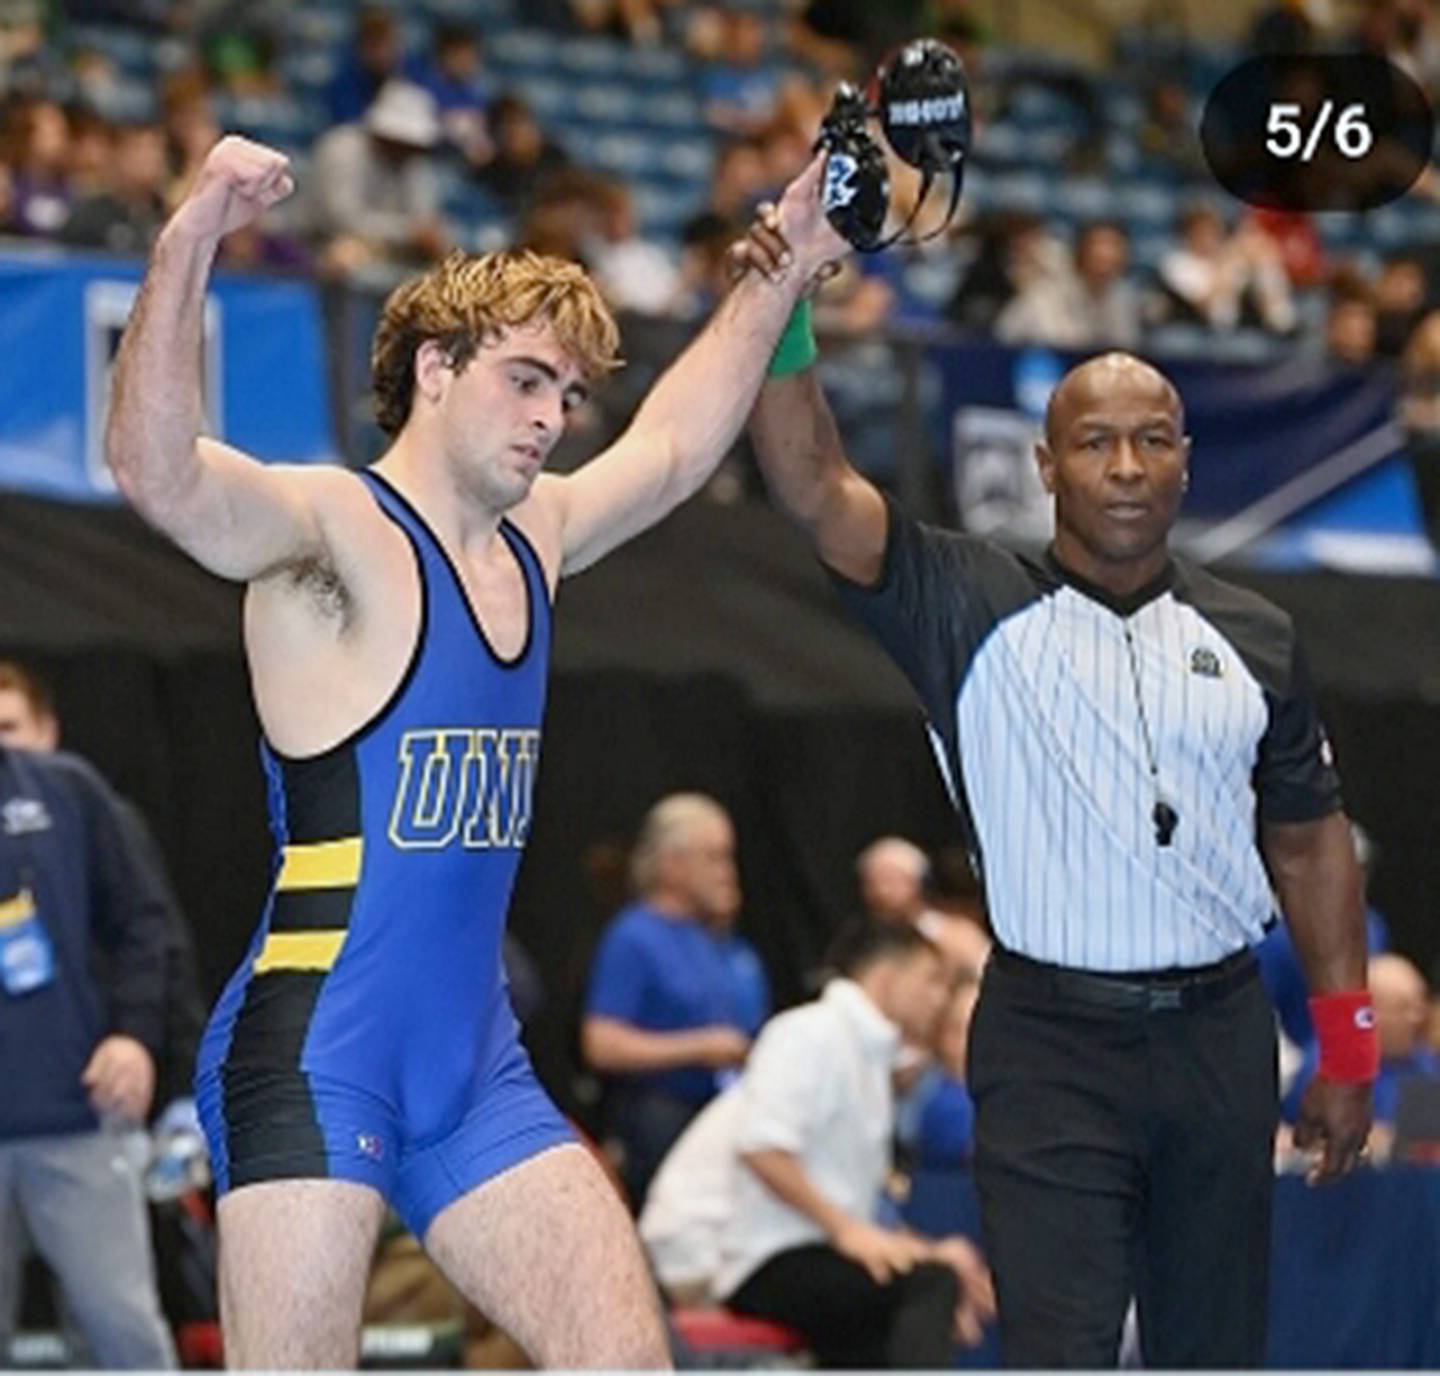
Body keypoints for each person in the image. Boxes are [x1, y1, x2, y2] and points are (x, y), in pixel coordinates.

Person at [105, 133, 842, 1367]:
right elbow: (157, 471)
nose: (554, 419)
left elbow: (665, 455)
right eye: (526, 381)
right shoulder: (333, 530)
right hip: (315, 1055)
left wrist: (779, 276)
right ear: (436, 368)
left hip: (472, 1065)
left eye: (566, 394)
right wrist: (190, 237)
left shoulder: (536, 535)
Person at [734, 211, 1375, 1368]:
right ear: (1044, 463)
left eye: (1150, 440)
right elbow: (814, 479)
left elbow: (1313, 836)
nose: (1124, 467)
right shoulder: (961, 600)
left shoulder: (1261, 635)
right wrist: (784, 311)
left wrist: (1351, 1043)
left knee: (1215, 1350)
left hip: (1222, 1035)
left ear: (1187, 454)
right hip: (1047, 1041)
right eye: (1093, 443)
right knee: (1061, 1347)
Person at [717, 922, 995, 1368]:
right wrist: (847, 1230)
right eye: (929, 980)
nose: (939, 999)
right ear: (887, 976)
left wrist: (905, 1245)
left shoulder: (871, 1060)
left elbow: (864, 1214)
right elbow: (761, 1147)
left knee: (912, 1296)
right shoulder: (809, 1031)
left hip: (822, 1254)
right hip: (770, 1261)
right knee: (931, 1285)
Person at [0, 678, 175, 1368]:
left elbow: (144, 922)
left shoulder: (65, 790)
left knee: (122, 1332)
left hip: (75, 1111)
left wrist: (135, 1034)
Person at [582, 794, 764, 1206]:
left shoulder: (723, 942)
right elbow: (601, 1042)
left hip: (727, 1114)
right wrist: (697, 1047)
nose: (726, 872)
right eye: (714, 858)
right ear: (672, 863)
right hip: (663, 1117)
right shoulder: (636, 937)